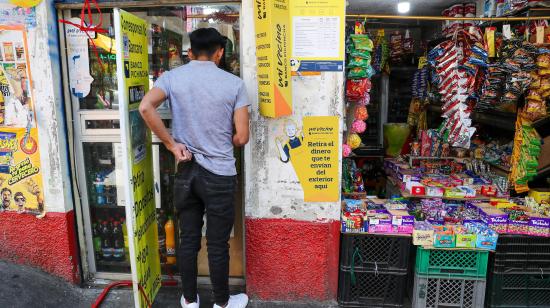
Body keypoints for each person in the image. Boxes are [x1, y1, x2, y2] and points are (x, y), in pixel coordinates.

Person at [139, 28, 250, 308]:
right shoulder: (234, 84)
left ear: (189, 52)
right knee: (217, 243)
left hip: (186, 170)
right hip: (220, 175)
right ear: (219, 52)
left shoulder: (173, 78)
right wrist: (224, 138)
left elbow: (145, 107)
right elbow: (242, 137)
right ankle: (222, 303)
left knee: (188, 239)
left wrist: (171, 145)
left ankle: (189, 300)